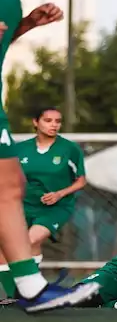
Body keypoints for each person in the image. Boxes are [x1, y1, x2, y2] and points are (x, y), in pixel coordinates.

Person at [0, 0, 100, 313]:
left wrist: (23, 27)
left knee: (9, 188)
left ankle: (30, 288)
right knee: (9, 189)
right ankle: (30, 288)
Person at [0, 108, 86, 299]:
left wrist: (59, 194)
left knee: (29, 240)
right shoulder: (21, 148)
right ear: (35, 122)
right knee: (7, 248)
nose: (53, 125)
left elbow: (81, 180)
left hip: (56, 207)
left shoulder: (69, 149)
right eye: (48, 120)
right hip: (24, 206)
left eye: (57, 121)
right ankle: (14, 295)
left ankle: (28, 291)